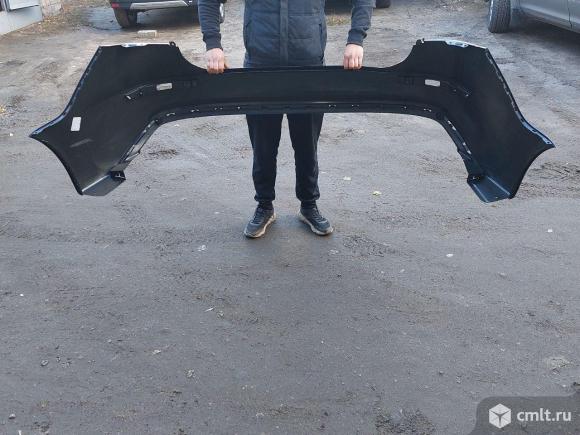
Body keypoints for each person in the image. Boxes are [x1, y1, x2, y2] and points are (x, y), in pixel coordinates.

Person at [197, 0, 373, 238]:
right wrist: (212, 44)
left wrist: (356, 39)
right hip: (260, 68)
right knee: (263, 145)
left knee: (306, 144)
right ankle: (264, 206)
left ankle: (309, 205)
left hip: (308, 69)